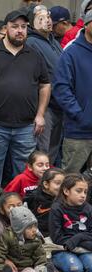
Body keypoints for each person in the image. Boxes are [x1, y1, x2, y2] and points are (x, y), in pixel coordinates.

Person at [0, 10, 51, 186]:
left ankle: (19, 208)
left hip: (26, 126)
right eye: (15, 26)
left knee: (24, 172)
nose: (20, 31)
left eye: (23, 27)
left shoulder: (34, 55)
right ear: (6, 28)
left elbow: (45, 84)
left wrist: (40, 115)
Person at [0, 205, 90, 272]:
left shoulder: (35, 238)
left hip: (27, 266)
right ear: (19, 229)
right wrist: (0, 270)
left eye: (35, 226)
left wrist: (40, 269)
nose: (34, 230)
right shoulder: (7, 236)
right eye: (30, 227)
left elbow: (40, 256)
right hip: (12, 266)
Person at [53, 10, 92, 174]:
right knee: (70, 179)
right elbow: (61, 88)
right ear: (88, 24)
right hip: (79, 131)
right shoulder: (72, 52)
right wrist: (80, 115)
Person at [26, 5, 63, 165]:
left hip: (59, 104)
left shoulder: (53, 41)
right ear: (31, 22)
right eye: (40, 17)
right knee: (43, 150)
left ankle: (50, 184)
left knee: (53, 149)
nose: (46, 20)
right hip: (44, 105)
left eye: (48, 16)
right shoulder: (31, 42)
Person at [49, 174, 92, 272]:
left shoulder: (89, 208)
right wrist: (81, 240)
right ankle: (54, 266)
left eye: (85, 192)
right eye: (78, 191)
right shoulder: (56, 208)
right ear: (66, 191)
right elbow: (57, 237)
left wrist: (78, 238)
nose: (83, 195)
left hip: (83, 248)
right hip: (63, 249)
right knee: (76, 269)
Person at [24, 168, 65, 237]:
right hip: (37, 235)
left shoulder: (63, 198)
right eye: (58, 183)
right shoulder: (32, 198)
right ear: (46, 184)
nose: (62, 187)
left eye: (64, 184)